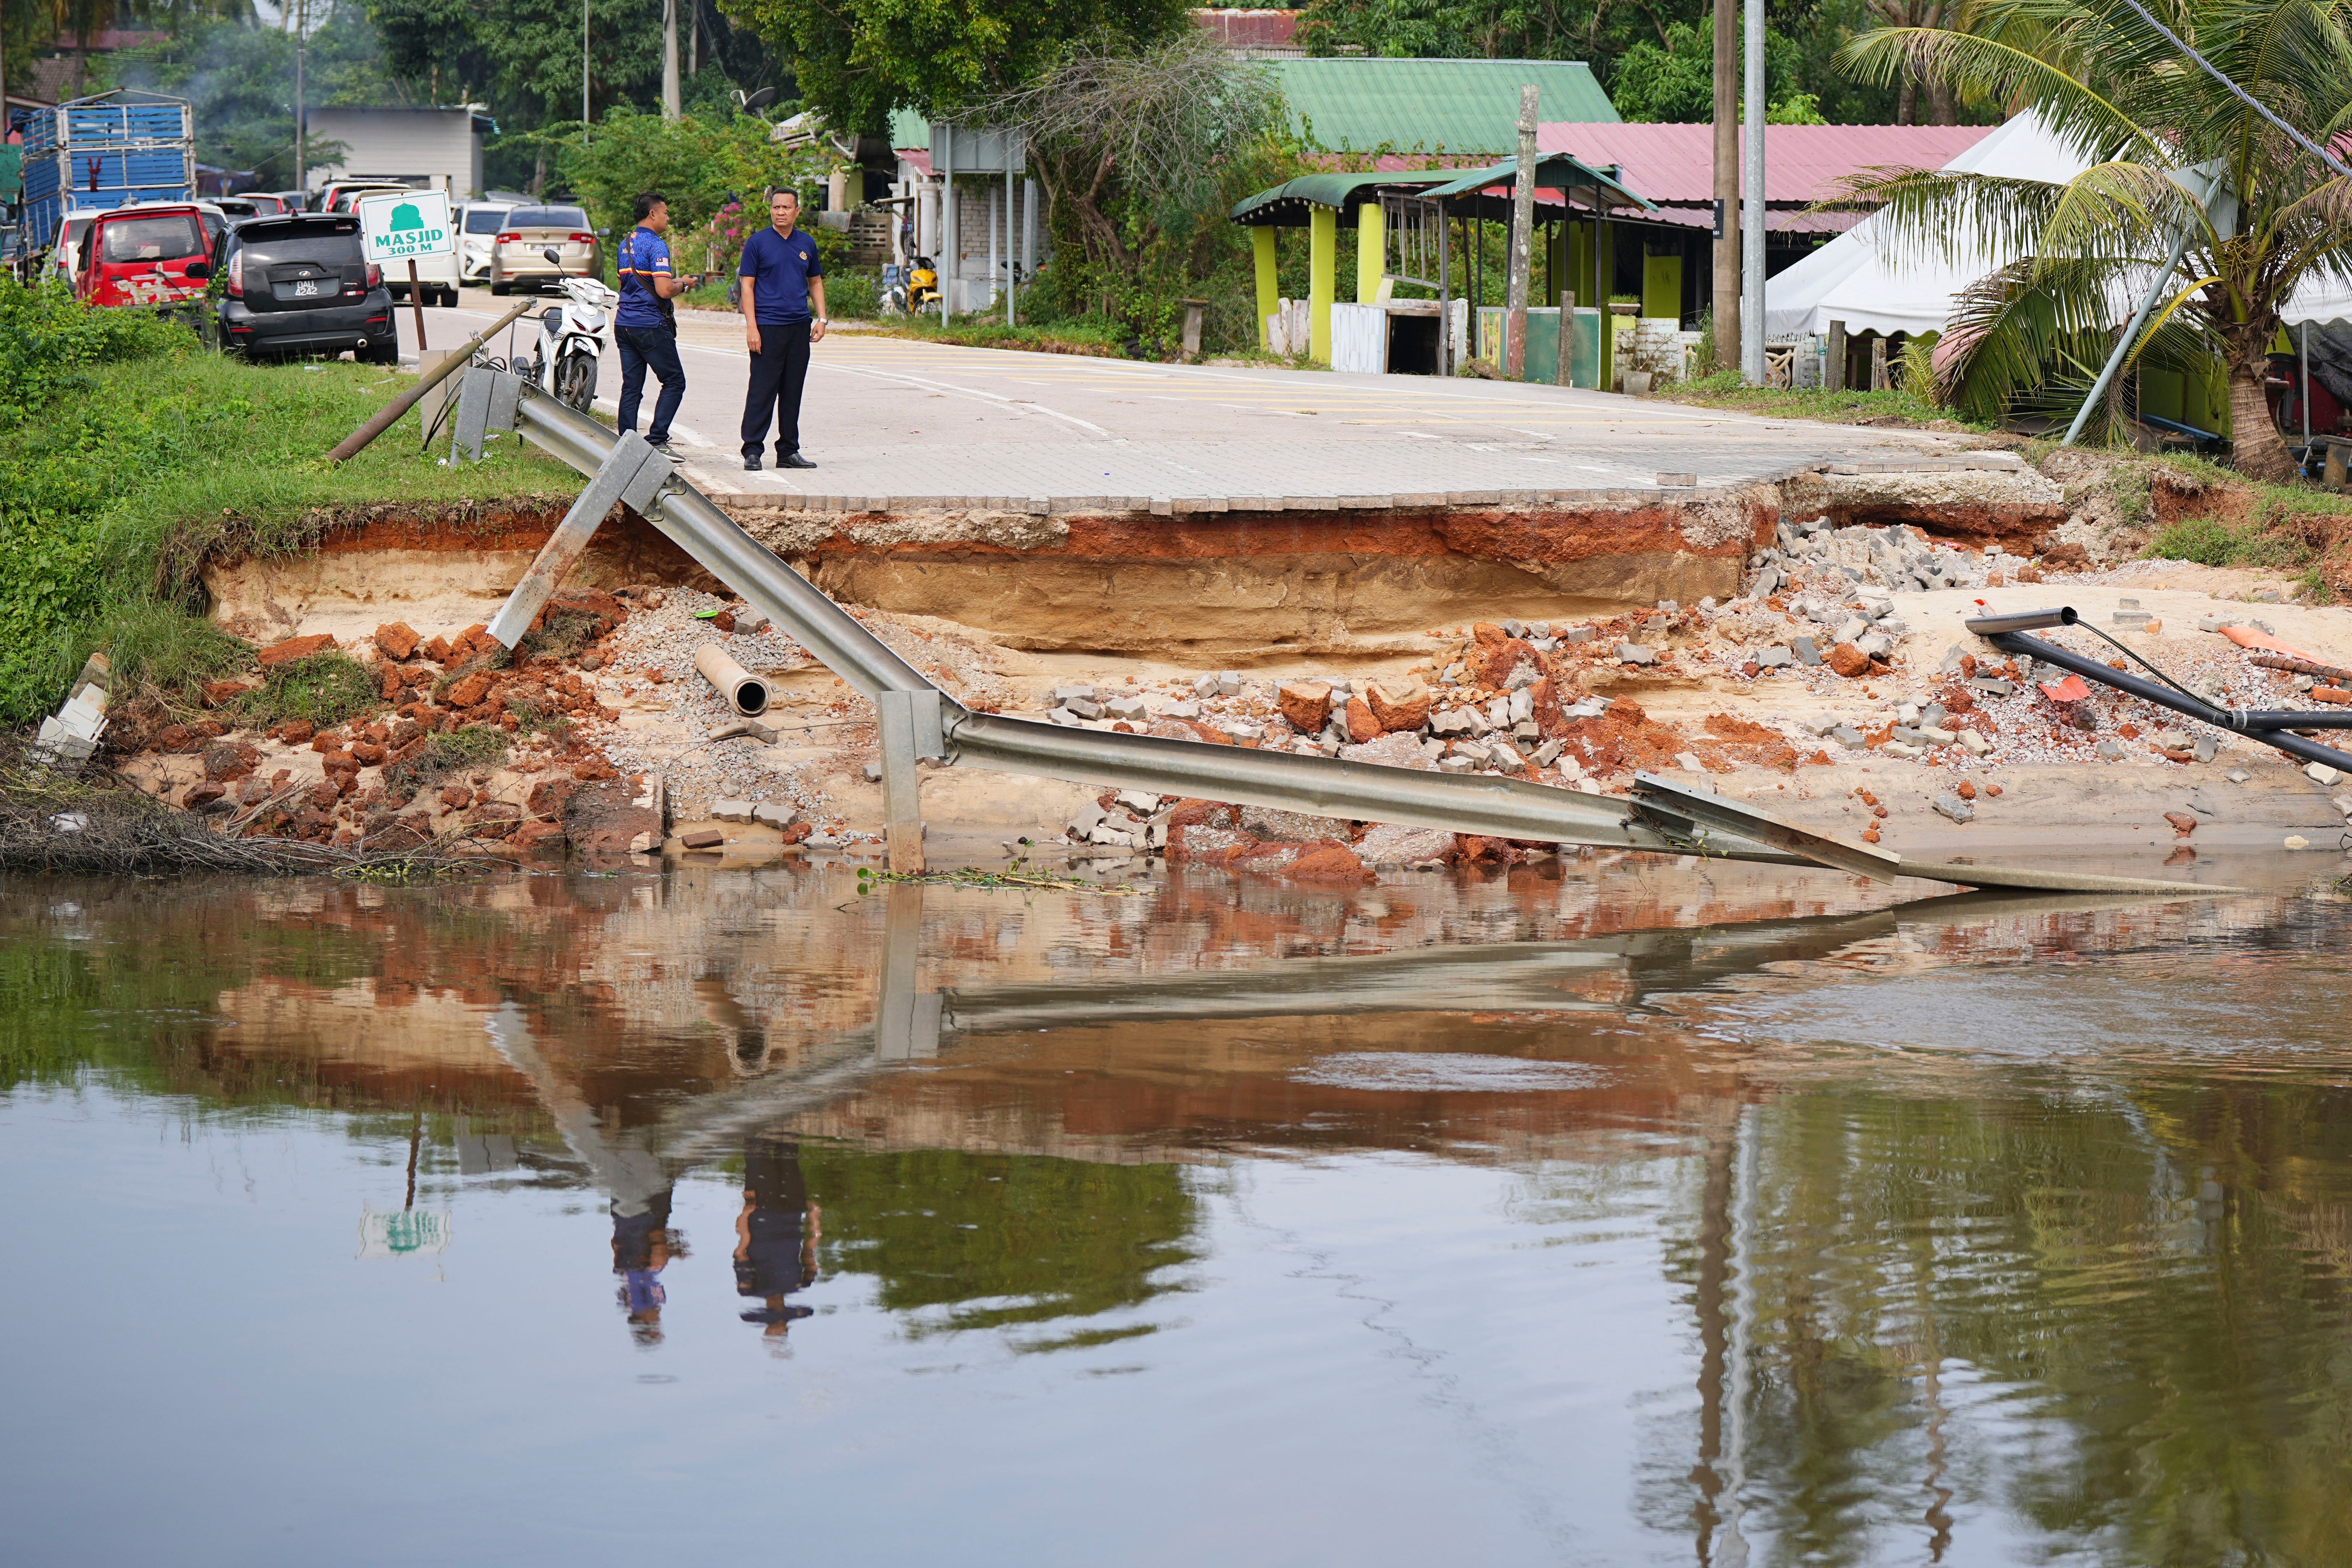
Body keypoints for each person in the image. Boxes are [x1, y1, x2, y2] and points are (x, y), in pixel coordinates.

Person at [737, 188, 827, 472]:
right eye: (776, 207)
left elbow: (815, 281)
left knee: (792, 391)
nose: (780, 212)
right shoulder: (758, 243)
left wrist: (822, 319)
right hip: (767, 326)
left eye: (786, 207)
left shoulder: (806, 243)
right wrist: (752, 327)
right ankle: (753, 450)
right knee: (762, 390)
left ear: (797, 211)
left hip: (799, 327)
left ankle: (788, 450)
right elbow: (747, 286)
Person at [614, 190, 690, 455]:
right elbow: (664, 290)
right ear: (653, 213)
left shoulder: (625, 243)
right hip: (649, 324)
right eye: (666, 213)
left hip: (624, 323)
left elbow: (629, 283)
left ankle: (625, 444)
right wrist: (684, 285)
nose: (668, 217)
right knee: (675, 381)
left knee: (632, 386)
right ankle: (657, 439)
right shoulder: (656, 245)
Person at [734, 1134, 820, 1338]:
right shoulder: (802, 1283)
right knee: (788, 1155)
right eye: (782, 1318)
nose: (777, 1307)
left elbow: (741, 1252)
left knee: (757, 1154)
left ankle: (756, 1123)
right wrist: (815, 1218)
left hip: (762, 1213)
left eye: (774, 1315)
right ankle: (788, 1124)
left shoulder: (749, 1289)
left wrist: (746, 1213)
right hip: (793, 1213)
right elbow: (809, 1251)